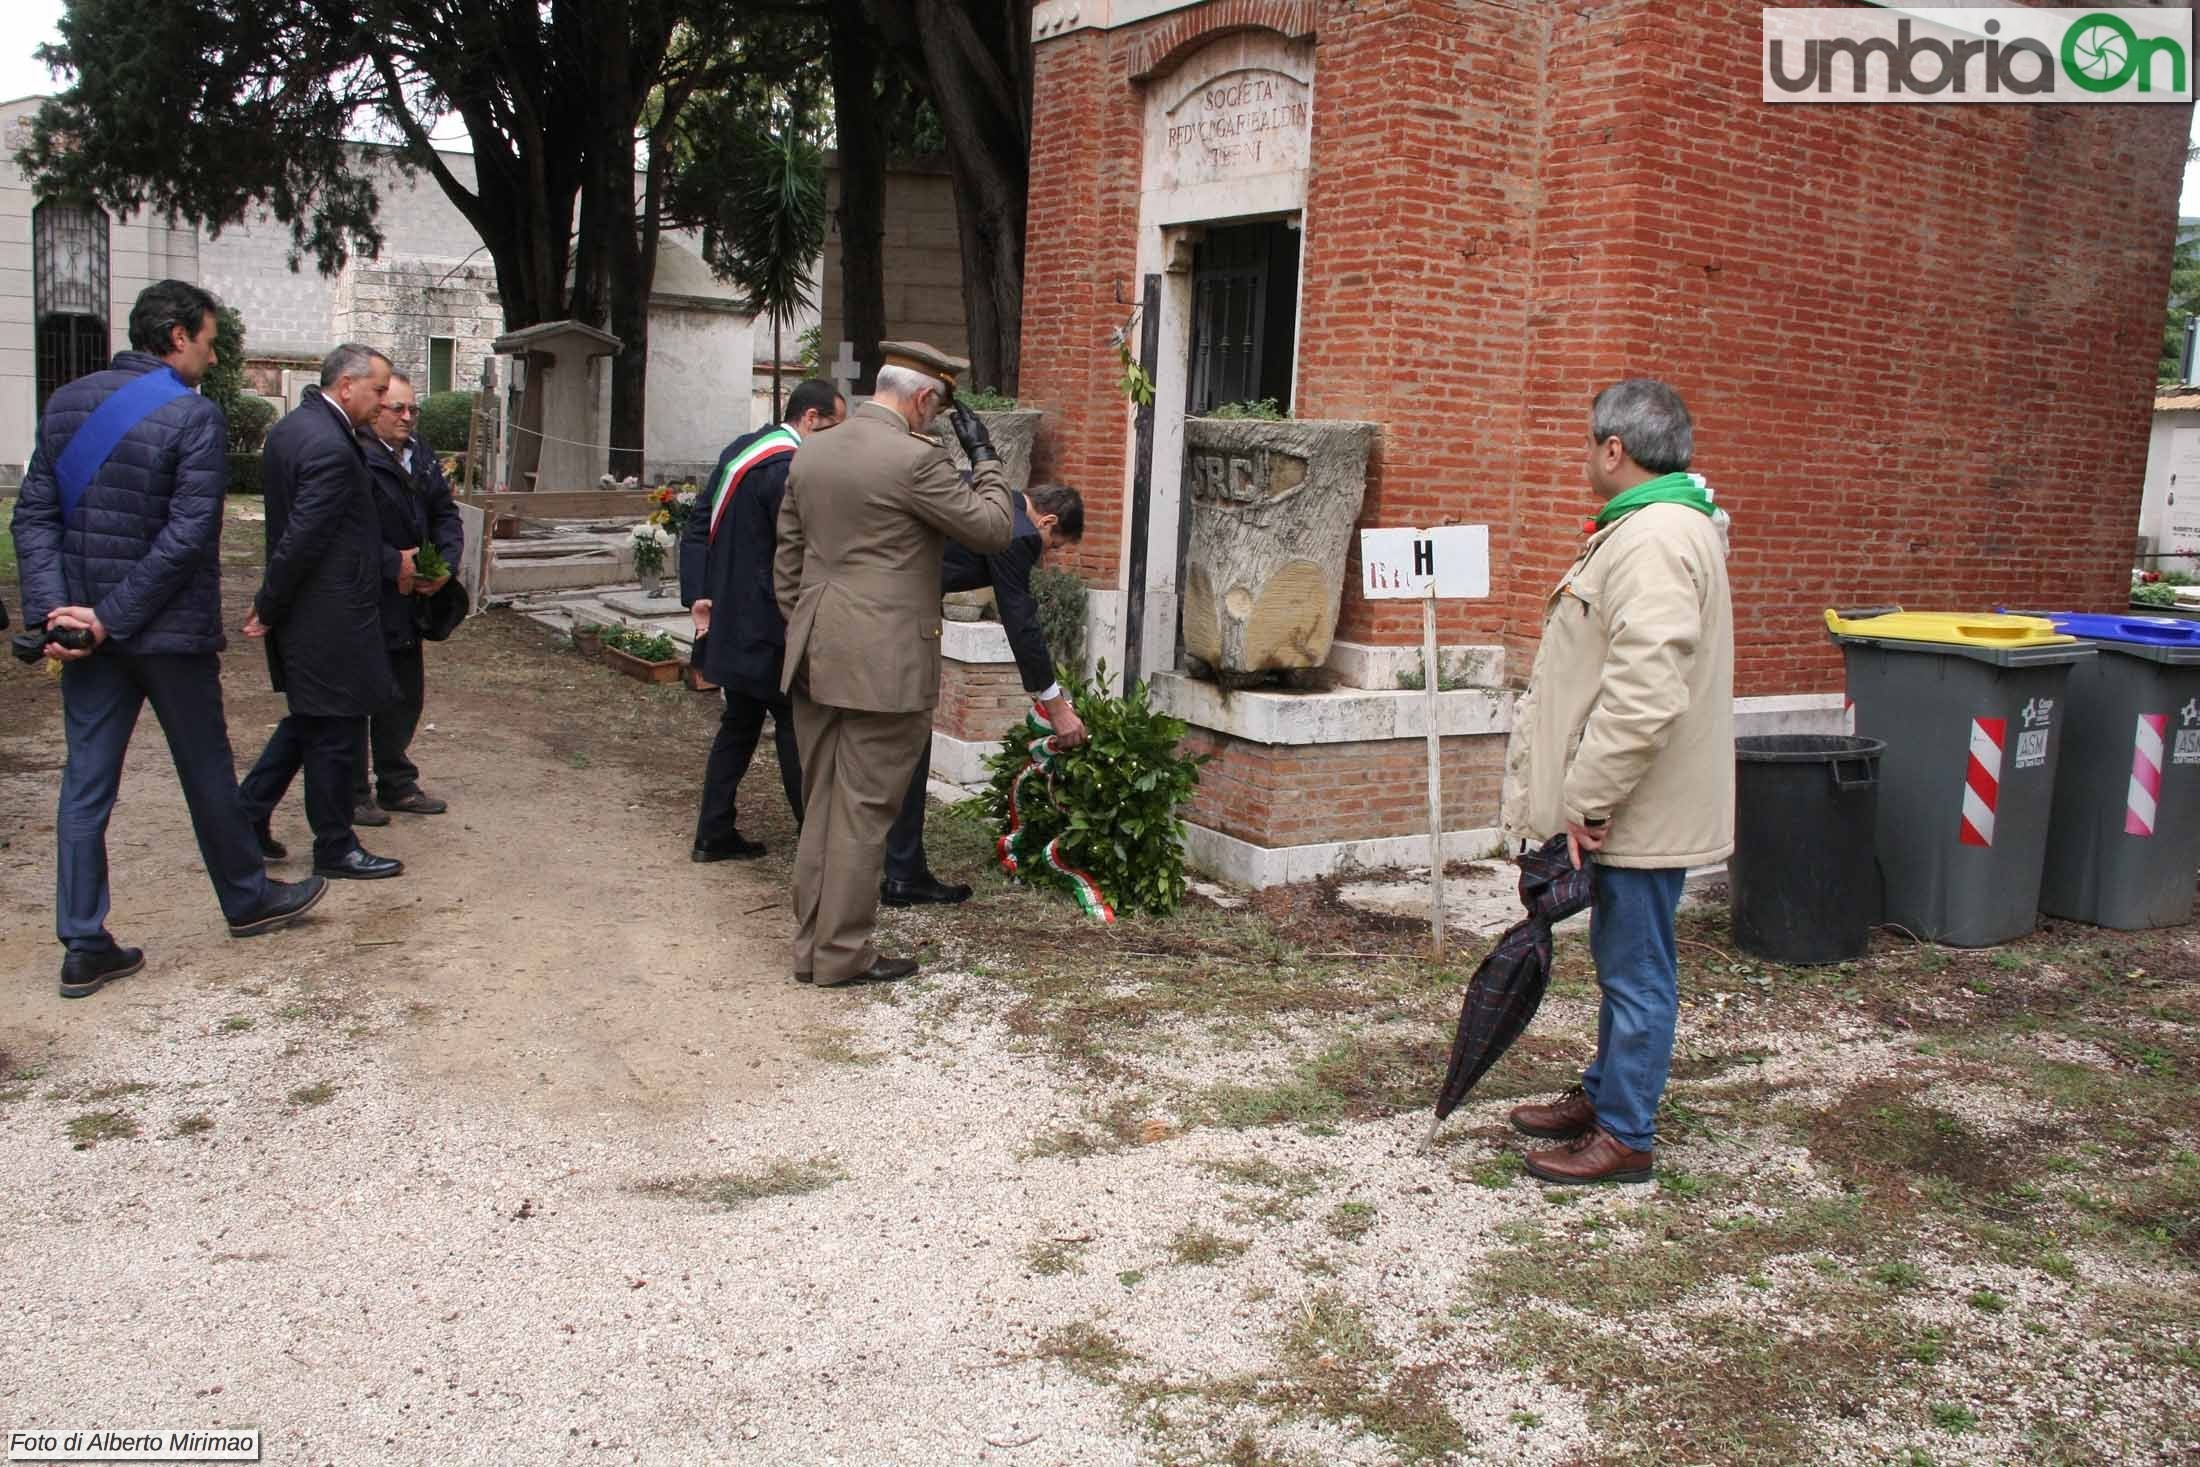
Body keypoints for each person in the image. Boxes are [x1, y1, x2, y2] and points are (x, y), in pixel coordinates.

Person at [10, 279, 327, 997]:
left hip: (92, 632)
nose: (213, 358)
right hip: (166, 634)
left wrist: (62, 611)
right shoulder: (194, 417)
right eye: (210, 342)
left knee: (85, 784)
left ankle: (83, 942)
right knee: (208, 773)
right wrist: (108, 616)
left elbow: (32, 518)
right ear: (177, 336)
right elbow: (188, 537)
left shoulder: (64, 404)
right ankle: (247, 900)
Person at [1500, 378, 1735, 1186]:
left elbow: (1644, 688)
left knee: (1637, 969)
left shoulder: (1656, 539)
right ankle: (1607, 1095)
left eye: (1587, 444)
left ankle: (1626, 1132)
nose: (1584, 459)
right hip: (1636, 804)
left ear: (1614, 449)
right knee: (1620, 959)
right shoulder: (1654, 527)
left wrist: (1588, 797)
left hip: (1637, 807)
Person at [774, 342, 1014, 987]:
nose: (937, 422)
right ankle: (841, 955)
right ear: (922, 398)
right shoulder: (915, 460)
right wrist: (985, 457)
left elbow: (789, 563)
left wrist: (811, 625)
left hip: (817, 648)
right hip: (885, 661)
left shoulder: (814, 449)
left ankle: (812, 948)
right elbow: (994, 528)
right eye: (938, 409)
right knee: (863, 812)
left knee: (823, 803)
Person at [238, 344, 404, 881]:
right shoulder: (331, 445)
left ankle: (245, 814)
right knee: (335, 731)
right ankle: (334, 844)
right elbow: (304, 536)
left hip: (318, 607)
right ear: (347, 385)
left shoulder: (295, 428)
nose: (383, 404)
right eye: (379, 391)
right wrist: (270, 602)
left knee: (309, 722)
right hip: (330, 612)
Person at [883, 484, 1089, 906]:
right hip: (896, 623)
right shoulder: (1019, 533)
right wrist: (1057, 706)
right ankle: (901, 874)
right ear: (1046, 522)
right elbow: (1021, 621)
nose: (1045, 556)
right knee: (909, 746)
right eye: (1053, 544)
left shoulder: (988, 494)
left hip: (872, 605)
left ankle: (888, 867)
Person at [681, 379, 846, 861]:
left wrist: (699, 593)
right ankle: (815, 840)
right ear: (810, 419)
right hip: (771, 623)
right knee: (797, 727)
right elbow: (802, 552)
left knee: (740, 724)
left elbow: (698, 522)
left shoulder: (743, 450)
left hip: (732, 618)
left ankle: (713, 832)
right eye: (833, 427)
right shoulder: (789, 469)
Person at [353, 371, 463, 818]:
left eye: (412, 409)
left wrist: (444, 566)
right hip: (368, 594)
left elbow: (444, 512)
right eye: (397, 408)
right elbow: (350, 530)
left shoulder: (422, 456)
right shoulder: (356, 455)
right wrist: (389, 563)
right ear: (375, 410)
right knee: (362, 693)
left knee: (406, 693)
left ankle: (396, 781)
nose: (407, 417)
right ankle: (355, 790)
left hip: (412, 598)